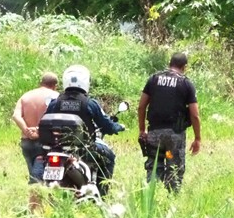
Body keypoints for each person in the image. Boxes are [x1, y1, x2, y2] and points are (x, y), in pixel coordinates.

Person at [45, 65, 124, 196]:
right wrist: (116, 127)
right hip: (85, 149)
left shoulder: (55, 103)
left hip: (58, 149)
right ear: (85, 82)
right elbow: (106, 125)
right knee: (109, 156)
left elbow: (45, 121)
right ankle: (102, 194)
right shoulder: (89, 103)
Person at [138, 52, 201, 192]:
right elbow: (195, 115)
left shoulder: (153, 79)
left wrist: (142, 130)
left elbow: (141, 106)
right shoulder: (186, 83)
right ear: (184, 67)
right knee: (174, 168)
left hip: (154, 134)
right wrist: (197, 138)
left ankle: (150, 198)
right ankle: (171, 201)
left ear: (169, 63)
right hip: (175, 137)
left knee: (154, 166)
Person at [12, 72, 60, 183]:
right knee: (46, 180)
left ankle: (36, 198)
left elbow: (16, 116)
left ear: (40, 83)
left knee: (34, 177)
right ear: (55, 85)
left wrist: (27, 130)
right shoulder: (56, 97)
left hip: (27, 142)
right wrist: (39, 131)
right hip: (47, 142)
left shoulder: (26, 96)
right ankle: (42, 198)